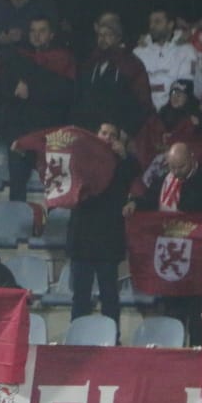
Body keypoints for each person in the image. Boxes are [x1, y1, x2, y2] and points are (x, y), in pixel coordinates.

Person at [124, 140, 202, 344]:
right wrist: (134, 204)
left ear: (192, 158)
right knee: (172, 312)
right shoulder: (163, 180)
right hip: (170, 260)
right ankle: (173, 353)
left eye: (181, 167)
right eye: (172, 167)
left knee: (198, 313)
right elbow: (148, 201)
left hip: (199, 261)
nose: (176, 172)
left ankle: (198, 351)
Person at [0, 14, 75, 202]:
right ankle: (17, 220)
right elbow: (4, 89)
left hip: (54, 133)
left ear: (52, 35)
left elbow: (65, 93)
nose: (36, 35)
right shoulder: (17, 57)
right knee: (17, 186)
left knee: (57, 189)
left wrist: (30, 90)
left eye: (42, 31)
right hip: (21, 132)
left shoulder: (63, 59)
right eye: (33, 31)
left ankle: (56, 220)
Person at [66, 121, 137, 325]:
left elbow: (135, 174)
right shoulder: (81, 157)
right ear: (95, 134)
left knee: (110, 295)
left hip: (108, 239)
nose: (107, 138)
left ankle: (113, 337)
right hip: (82, 238)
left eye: (112, 135)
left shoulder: (123, 162)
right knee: (80, 296)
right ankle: (77, 338)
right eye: (103, 133)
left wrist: (124, 156)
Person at [133, 7, 199, 113]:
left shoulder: (186, 50)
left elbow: (185, 85)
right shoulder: (138, 52)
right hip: (144, 112)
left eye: (157, 22)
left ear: (170, 24)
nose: (152, 26)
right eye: (151, 22)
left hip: (175, 112)